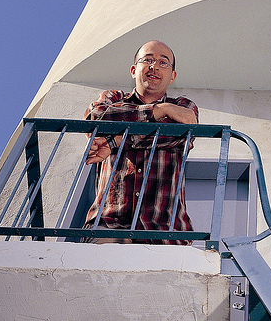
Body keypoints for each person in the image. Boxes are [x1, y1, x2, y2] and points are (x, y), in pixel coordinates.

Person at [82, 40, 198, 245]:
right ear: (134, 70)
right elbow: (95, 119)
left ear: (172, 76)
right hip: (109, 226)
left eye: (163, 62)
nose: (154, 67)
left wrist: (115, 140)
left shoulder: (183, 105)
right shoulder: (113, 97)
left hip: (167, 231)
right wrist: (158, 111)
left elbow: (181, 134)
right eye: (148, 60)